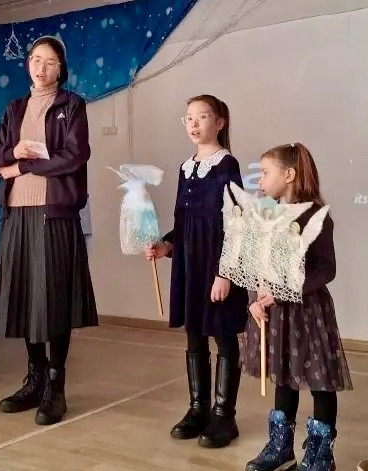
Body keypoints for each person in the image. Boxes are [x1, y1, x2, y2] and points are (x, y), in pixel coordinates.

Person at [0, 35, 98, 426]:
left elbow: (74, 156)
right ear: (27, 64)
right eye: (35, 59)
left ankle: (55, 385)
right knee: (27, 297)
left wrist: (23, 166)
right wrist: (12, 153)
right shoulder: (15, 108)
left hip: (55, 213)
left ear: (61, 69)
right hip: (17, 213)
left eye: (49, 62)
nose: (41, 67)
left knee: (55, 298)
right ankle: (33, 380)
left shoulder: (72, 105)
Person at [145, 95, 248, 449]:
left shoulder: (227, 165)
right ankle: (198, 408)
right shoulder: (185, 167)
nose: (193, 123)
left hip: (217, 265)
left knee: (223, 335)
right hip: (190, 266)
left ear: (219, 122)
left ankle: (224, 415)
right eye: (188, 117)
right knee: (194, 334)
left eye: (201, 117)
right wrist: (167, 245)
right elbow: (184, 221)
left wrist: (225, 273)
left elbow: (236, 223)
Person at [243, 143, 353, 471]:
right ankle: (281, 449)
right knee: (283, 377)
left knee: (320, 380)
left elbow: (326, 268)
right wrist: (254, 300)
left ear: (289, 174)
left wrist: (286, 291)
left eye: (265, 172)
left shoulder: (315, 215)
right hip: (276, 313)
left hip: (308, 311)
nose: (260, 180)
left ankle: (321, 456)